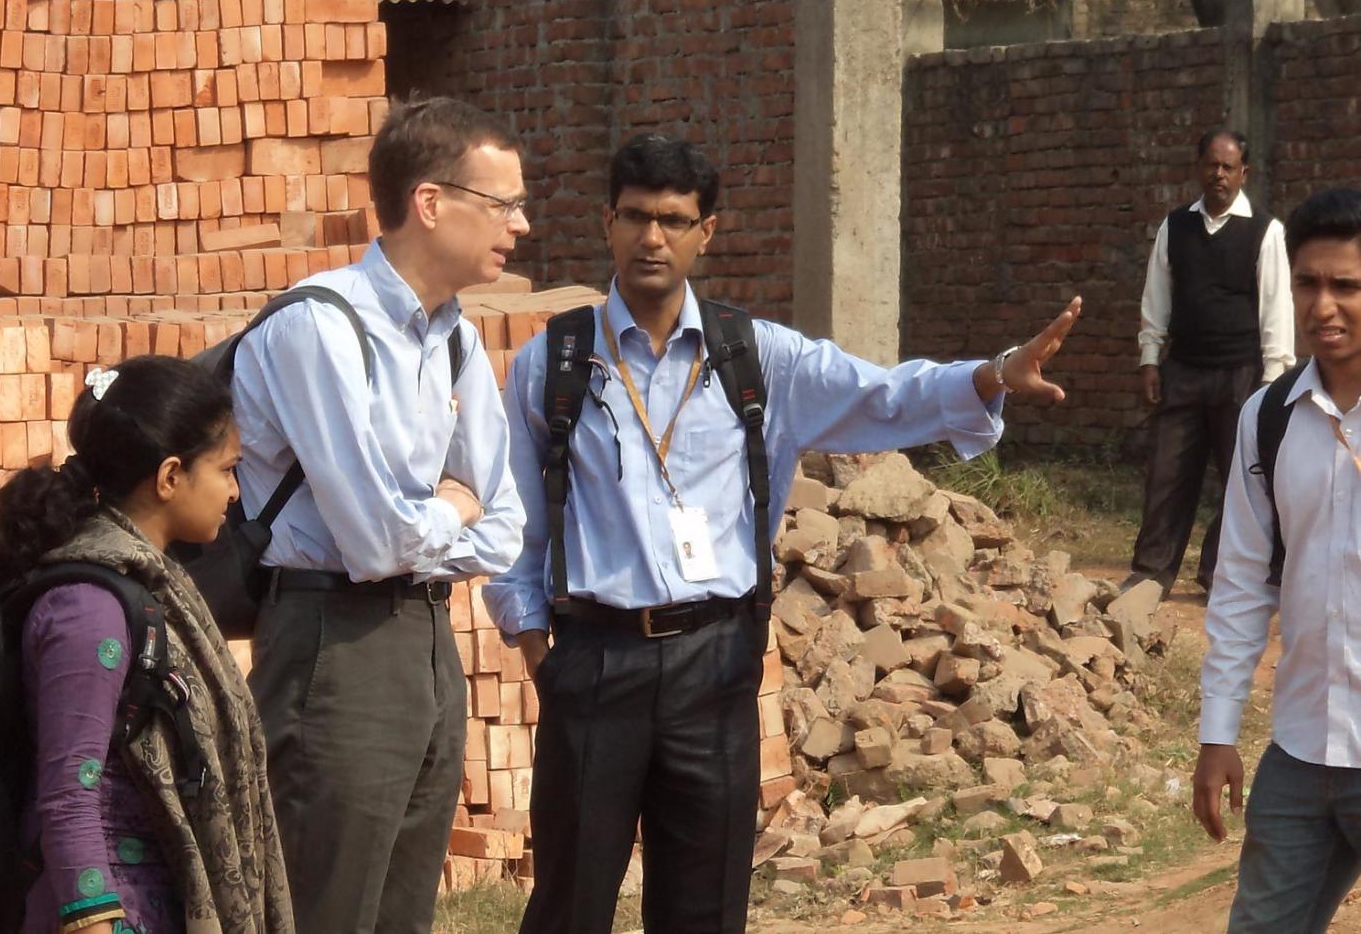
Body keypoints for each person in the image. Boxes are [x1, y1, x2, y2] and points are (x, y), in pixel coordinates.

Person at [483, 132, 1081, 934]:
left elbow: (886, 397)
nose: (651, 238)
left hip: (715, 665)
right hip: (595, 663)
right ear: (606, 223)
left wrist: (994, 373)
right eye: (634, 217)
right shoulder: (551, 363)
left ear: (708, 232)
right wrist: (536, 652)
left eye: (672, 219)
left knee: (705, 904)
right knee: (568, 904)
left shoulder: (757, 357)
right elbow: (514, 517)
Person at [229, 95, 527, 934]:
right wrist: (448, 508)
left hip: (427, 638)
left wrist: (438, 515)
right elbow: (372, 540)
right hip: (332, 638)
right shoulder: (320, 326)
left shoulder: (456, 338)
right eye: (503, 204)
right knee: (327, 904)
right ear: (430, 203)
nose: (522, 224)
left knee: (403, 909)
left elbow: (503, 524)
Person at [0, 355, 293, 934]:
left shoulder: (150, 583)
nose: (236, 493)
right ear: (170, 477)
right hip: (110, 911)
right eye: (226, 470)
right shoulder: (89, 609)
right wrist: (92, 916)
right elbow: (67, 791)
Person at [1193, 187, 1361, 931]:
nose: (1324, 306)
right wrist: (1217, 732)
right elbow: (1239, 583)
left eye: (1347, 286)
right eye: (1309, 284)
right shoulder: (1265, 418)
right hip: (1301, 753)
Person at [1127, 129, 1295, 597]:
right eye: (1211, 165)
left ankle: (1219, 573)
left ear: (1245, 173)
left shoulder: (1265, 231)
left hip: (1241, 373)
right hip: (1183, 369)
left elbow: (1277, 310)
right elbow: (1156, 297)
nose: (1218, 174)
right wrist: (1150, 358)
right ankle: (1149, 574)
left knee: (1244, 481)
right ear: (1198, 167)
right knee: (1166, 474)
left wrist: (1272, 382)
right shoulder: (1175, 227)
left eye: (1228, 167)